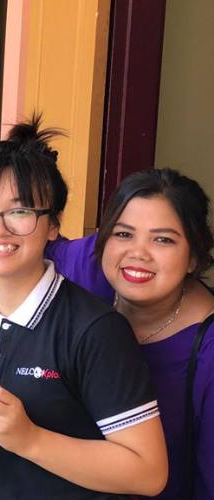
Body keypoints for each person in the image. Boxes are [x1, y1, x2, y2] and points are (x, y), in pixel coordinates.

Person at [0, 117, 168, 498]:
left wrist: (30, 439)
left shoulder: (95, 329)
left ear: (53, 225)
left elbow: (148, 473)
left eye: (20, 211)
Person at [46, 168, 214, 499]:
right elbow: (20, 248)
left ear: (194, 255)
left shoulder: (208, 352)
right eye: (123, 234)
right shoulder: (90, 273)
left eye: (163, 239)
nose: (138, 253)